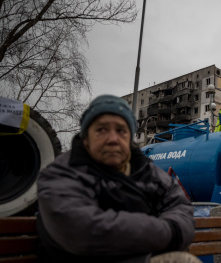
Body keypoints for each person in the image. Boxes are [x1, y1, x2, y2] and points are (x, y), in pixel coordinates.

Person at [36, 95, 199, 263]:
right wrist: (168, 233)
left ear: (130, 138)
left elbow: (181, 210)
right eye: (101, 130)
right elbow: (85, 230)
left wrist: (168, 232)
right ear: (85, 138)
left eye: (121, 131)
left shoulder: (147, 171)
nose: (113, 139)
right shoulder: (62, 173)